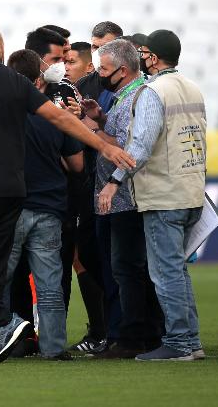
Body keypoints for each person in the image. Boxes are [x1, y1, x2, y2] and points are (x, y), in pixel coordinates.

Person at [0, 24, 134, 364]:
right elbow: (59, 118)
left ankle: (4, 319)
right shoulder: (17, 84)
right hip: (13, 192)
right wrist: (103, 146)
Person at [100, 29, 207, 361]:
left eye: (144, 52)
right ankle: (191, 341)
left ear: (153, 57)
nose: (141, 57)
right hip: (190, 190)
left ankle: (178, 343)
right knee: (177, 270)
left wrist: (116, 180)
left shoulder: (152, 91)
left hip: (163, 192)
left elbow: (141, 146)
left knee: (165, 272)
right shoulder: (192, 88)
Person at [82, 39, 164, 359]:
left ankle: (135, 336)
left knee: (128, 268)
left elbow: (135, 148)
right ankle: (144, 332)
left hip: (129, 197)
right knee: (128, 268)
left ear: (124, 70)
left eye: (103, 69)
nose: (99, 74)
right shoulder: (124, 96)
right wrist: (101, 119)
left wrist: (114, 181)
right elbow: (120, 137)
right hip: (122, 197)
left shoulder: (141, 97)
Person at [5, 49, 84, 361]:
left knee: (1, 280)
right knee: (50, 284)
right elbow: (76, 164)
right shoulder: (55, 116)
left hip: (10, 208)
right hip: (49, 208)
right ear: (38, 80)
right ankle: (53, 347)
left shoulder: (2, 117)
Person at [68, 21, 124, 354]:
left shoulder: (136, 86)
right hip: (91, 183)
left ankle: (125, 329)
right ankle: (105, 329)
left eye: (106, 46)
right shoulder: (85, 86)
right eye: (96, 45)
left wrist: (93, 125)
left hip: (121, 184)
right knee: (91, 254)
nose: (100, 51)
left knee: (122, 261)